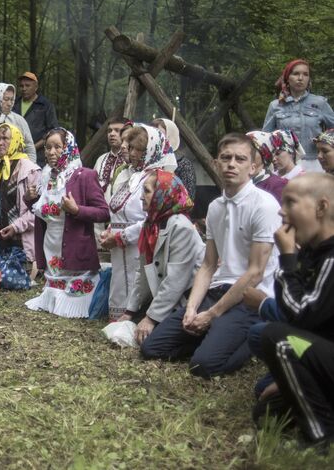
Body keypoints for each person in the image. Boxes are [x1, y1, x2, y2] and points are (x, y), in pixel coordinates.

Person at [141, 133, 281, 378]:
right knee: (152, 347)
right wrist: (192, 308)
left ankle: (252, 337)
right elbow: (208, 265)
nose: (231, 164)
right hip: (217, 290)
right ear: (216, 163)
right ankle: (215, 335)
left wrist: (212, 314)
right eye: (226, 158)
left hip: (249, 299)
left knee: (203, 366)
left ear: (253, 167)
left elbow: (255, 273)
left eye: (240, 159)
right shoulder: (216, 207)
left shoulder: (264, 205)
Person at [254, 173, 334, 447]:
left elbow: (301, 315)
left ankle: (322, 439)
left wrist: (287, 260)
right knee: (265, 414)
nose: (280, 209)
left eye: (290, 202)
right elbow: (301, 322)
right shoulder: (313, 251)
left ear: (321, 208)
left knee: (279, 340)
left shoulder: (331, 258)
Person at [25, 128, 109, 317]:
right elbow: (41, 210)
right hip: (51, 243)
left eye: (57, 147)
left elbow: (104, 212)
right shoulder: (46, 177)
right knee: (55, 285)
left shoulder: (84, 176)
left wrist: (77, 210)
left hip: (75, 244)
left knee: (74, 291)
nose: (51, 152)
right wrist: (30, 198)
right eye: (47, 147)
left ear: (69, 148)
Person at [121, 170, 204, 346]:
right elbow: (142, 271)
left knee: (150, 346)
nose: (142, 197)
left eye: (147, 191)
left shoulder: (181, 227)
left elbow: (176, 280)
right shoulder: (151, 224)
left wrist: (150, 318)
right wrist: (130, 311)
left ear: (162, 194)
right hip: (167, 298)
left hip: (187, 300)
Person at [101, 124, 172, 321]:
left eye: (135, 148)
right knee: (120, 281)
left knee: (136, 281)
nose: (130, 152)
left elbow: (152, 220)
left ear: (149, 150)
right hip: (119, 247)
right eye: (130, 147)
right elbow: (119, 210)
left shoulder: (157, 179)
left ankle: (134, 318)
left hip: (138, 245)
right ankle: (117, 319)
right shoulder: (131, 175)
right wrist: (110, 230)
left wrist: (121, 237)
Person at [263, 59, 334, 173]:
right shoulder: (275, 105)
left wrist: (325, 142)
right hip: (285, 164)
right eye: (296, 73)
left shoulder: (320, 103)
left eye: (305, 74)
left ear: (309, 79)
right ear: (287, 78)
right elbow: (266, 137)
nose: (300, 78)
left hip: (314, 163)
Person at [0, 123, 41, 264]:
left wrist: (15, 227)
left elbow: (38, 209)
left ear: (16, 140)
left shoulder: (31, 170)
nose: (0, 142)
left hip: (22, 241)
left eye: (5, 138)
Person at [12, 71, 59, 167]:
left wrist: (33, 147)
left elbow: (52, 131)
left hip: (39, 157)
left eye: (27, 85)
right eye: (21, 86)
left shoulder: (45, 105)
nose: (24, 89)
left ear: (36, 87)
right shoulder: (14, 103)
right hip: (14, 155)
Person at [152, 117, 196, 200]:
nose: (155, 138)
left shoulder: (183, 164)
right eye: (153, 134)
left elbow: (188, 199)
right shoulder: (149, 161)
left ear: (170, 136)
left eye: (159, 134)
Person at [247, 130, 288, 203]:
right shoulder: (238, 180)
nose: (245, 153)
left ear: (265, 154)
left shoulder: (278, 185)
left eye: (253, 150)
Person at [94, 116, 128, 195]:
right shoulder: (101, 159)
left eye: (117, 130)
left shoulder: (131, 159)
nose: (112, 134)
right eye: (109, 131)